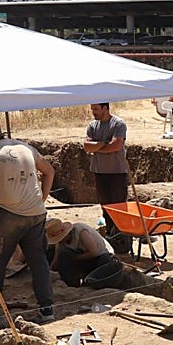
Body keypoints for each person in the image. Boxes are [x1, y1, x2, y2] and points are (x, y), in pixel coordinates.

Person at [0, 118, 56, 323]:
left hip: (9, 214)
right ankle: (47, 308)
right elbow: (49, 171)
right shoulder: (24, 147)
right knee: (38, 261)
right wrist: (42, 199)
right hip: (36, 213)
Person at [83, 102, 132, 253]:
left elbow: (116, 146)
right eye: (92, 109)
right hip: (100, 172)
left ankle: (122, 241)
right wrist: (104, 144)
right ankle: (111, 238)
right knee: (105, 207)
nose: (93, 112)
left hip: (117, 172)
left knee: (119, 209)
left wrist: (98, 147)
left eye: (96, 109)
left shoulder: (118, 124)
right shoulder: (92, 125)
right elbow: (87, 146)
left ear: (105, 108)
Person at [45, 217, 125, 290]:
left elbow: (94, 252)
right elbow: (57, 256)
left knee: (104, 261)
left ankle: (91, 283)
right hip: (83, 258)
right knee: (64, 257)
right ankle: (72, 286)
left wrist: (76, 258)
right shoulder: (61, 243)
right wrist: (49, 271)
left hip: (100, 256)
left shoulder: (81, 232)